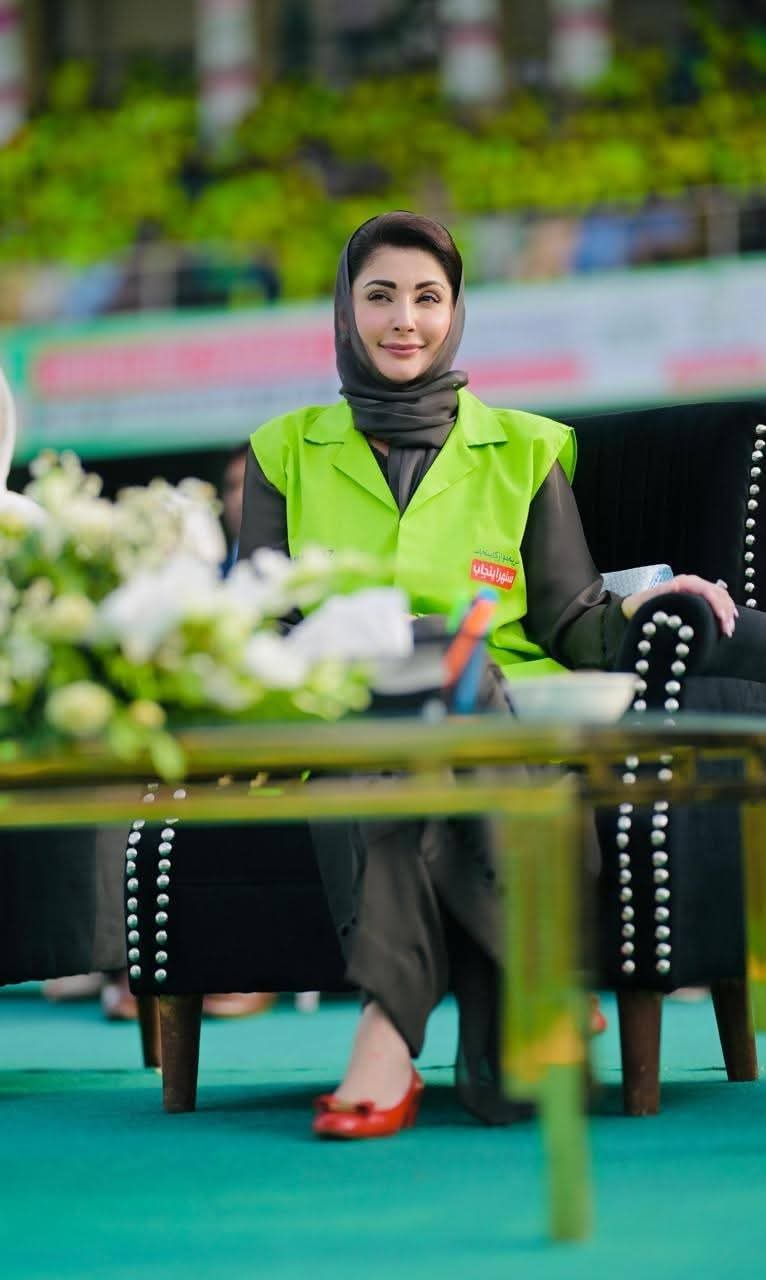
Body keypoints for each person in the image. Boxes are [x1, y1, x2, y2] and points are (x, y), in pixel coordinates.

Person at [238, 210, 762, 1140]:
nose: (405, 320)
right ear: (346, 310)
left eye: (427, 297)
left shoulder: (525, 449)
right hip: (345, 708)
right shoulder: (285, 449)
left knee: (448, 673)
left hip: (499, 712)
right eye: (381, 296)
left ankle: (385, 1038)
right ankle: (539, 984)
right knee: (393, 714)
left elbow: (573, 623)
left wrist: (649, 599)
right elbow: (265, 621)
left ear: (456, 311)